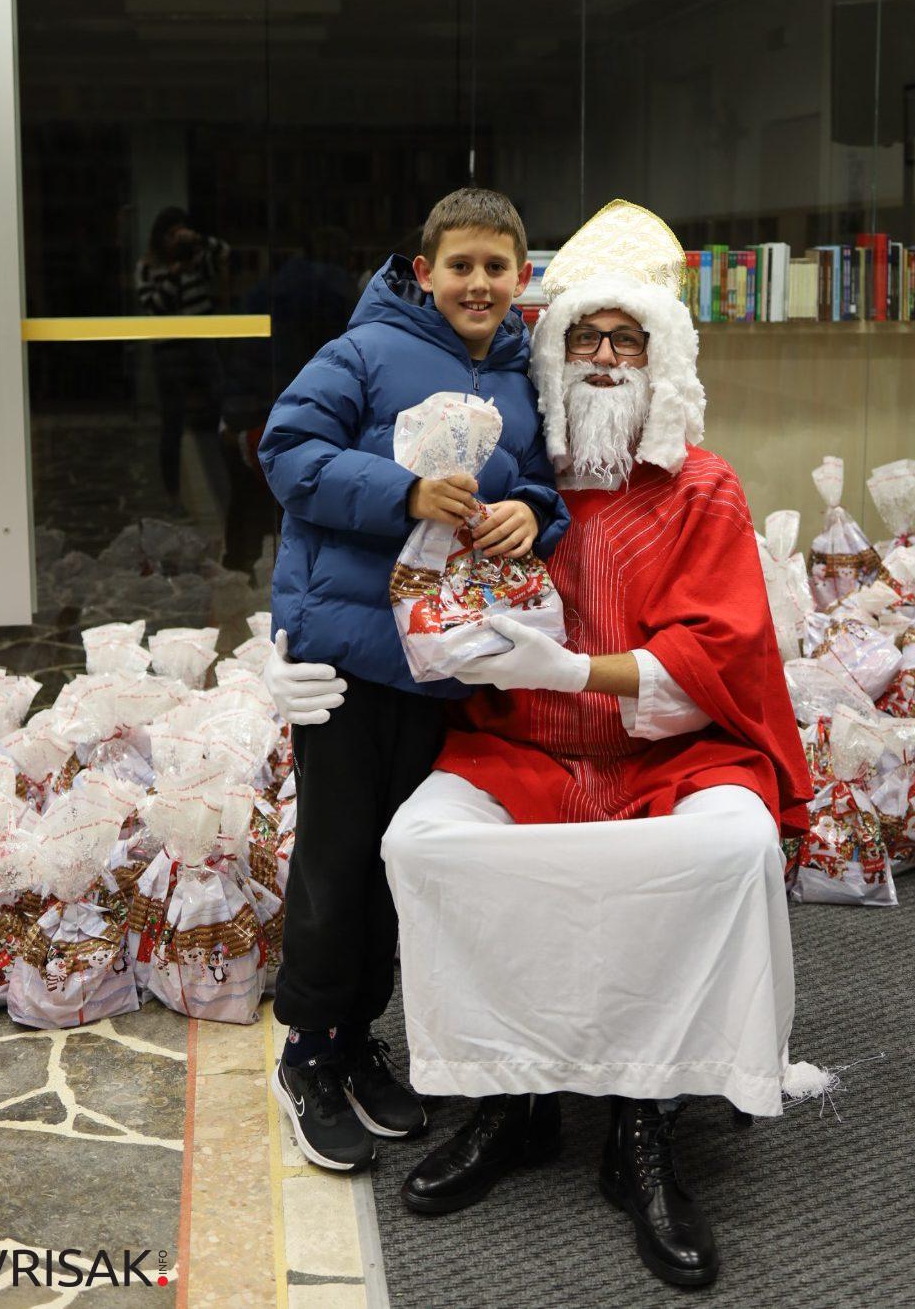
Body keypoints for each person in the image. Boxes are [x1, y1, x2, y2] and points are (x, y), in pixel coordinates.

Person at [266, 199, 814, 1289]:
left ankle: (644, 1116)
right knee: (411, 850)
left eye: (630, 340)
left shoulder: (701, 484)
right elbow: (326, 495)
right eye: (587, 339)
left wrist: (581, 673)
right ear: (550, 352)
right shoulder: (517, 453)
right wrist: (272, 640)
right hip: (514, 746)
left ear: (665, 356)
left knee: (727, 852)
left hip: (668, 755)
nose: (606, 359)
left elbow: (721, 648)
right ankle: (505, 1097)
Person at [258, 186, 570, 1176]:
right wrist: (402, 493)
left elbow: (531, 488)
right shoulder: (360, 352)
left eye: (498, 268)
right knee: (337, 862)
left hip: (443, 664)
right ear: (424, 270)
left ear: (523, 280)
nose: (479, 283)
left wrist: (535, 519)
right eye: (461, 265)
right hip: (352, 659)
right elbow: (287, 451)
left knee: (403, 864)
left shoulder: (523, 377)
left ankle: (360, 1037)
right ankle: (307, 1052)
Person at [135, 207, 229, 507]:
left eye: (181, 234)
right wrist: (173, 275)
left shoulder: (196, 259)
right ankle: (173, 493)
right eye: (172, 235)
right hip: (170, 347)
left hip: (202, 339)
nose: (177, 241)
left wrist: (198, 240)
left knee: (219, 405)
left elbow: (226, 254)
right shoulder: (148, 267)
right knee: (173, 420)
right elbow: (155, 308)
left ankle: (223, 483)